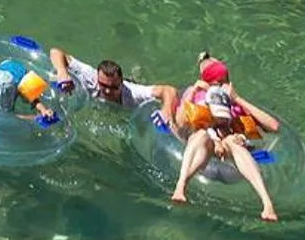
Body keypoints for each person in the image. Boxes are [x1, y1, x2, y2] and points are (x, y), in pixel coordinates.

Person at [169, 56, 283, 222]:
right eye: (216, 83)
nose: (220, 86)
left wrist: (237, 99)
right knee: (201, 134)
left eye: (223, 82)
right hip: (202, 159)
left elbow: (274, 126)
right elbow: (178, 123)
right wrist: (194, 91)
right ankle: (181, 187)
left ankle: (267, 203)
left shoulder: (234, 105)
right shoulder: (196, 96)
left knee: (232, 142)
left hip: (232, 165)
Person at [47, 46, 179, 120]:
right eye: (103, 85)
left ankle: (134, 75)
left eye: (113, 87)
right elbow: (55, 52)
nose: (108, 91)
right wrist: (62, 71)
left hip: (129, 93)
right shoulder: (90, 77)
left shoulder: (133, 93)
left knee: (135, 81)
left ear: (120, 83)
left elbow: (168, 90)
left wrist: (166, 110)